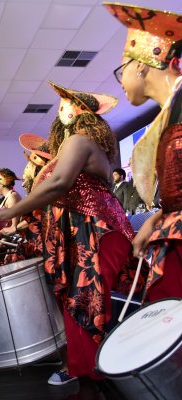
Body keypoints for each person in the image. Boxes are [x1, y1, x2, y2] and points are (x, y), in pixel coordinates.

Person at [0, 81, 144, 385]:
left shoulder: (80, 141)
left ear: (83, 113)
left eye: (67, 104)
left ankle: (96, 374)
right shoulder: (72, 145)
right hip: (79, 231)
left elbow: (58, 185)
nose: (61, 109)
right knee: (78, 301)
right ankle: (85, 372)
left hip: (95, 230)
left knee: (85, 300)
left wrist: (7, 212)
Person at [104, 3, 182, 301]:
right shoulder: (170, 112)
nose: (122, 81)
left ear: (140, 65)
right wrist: (155, 219)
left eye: (121, 70)